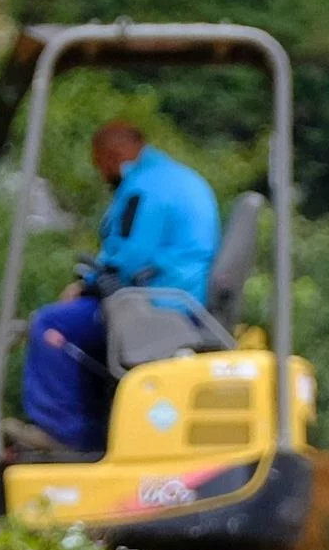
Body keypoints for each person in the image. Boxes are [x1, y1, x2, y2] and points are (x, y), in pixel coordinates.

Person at [18, 121, 222, 452]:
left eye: (101, 165)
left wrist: (85, 286)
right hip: (181, 299)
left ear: (115, 155)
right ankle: (102, 430)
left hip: (158, 304)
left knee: (51, 325)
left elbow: (129, 257)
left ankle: (65, 437)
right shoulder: (177, 179)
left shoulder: (145, 188)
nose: (103, 175)